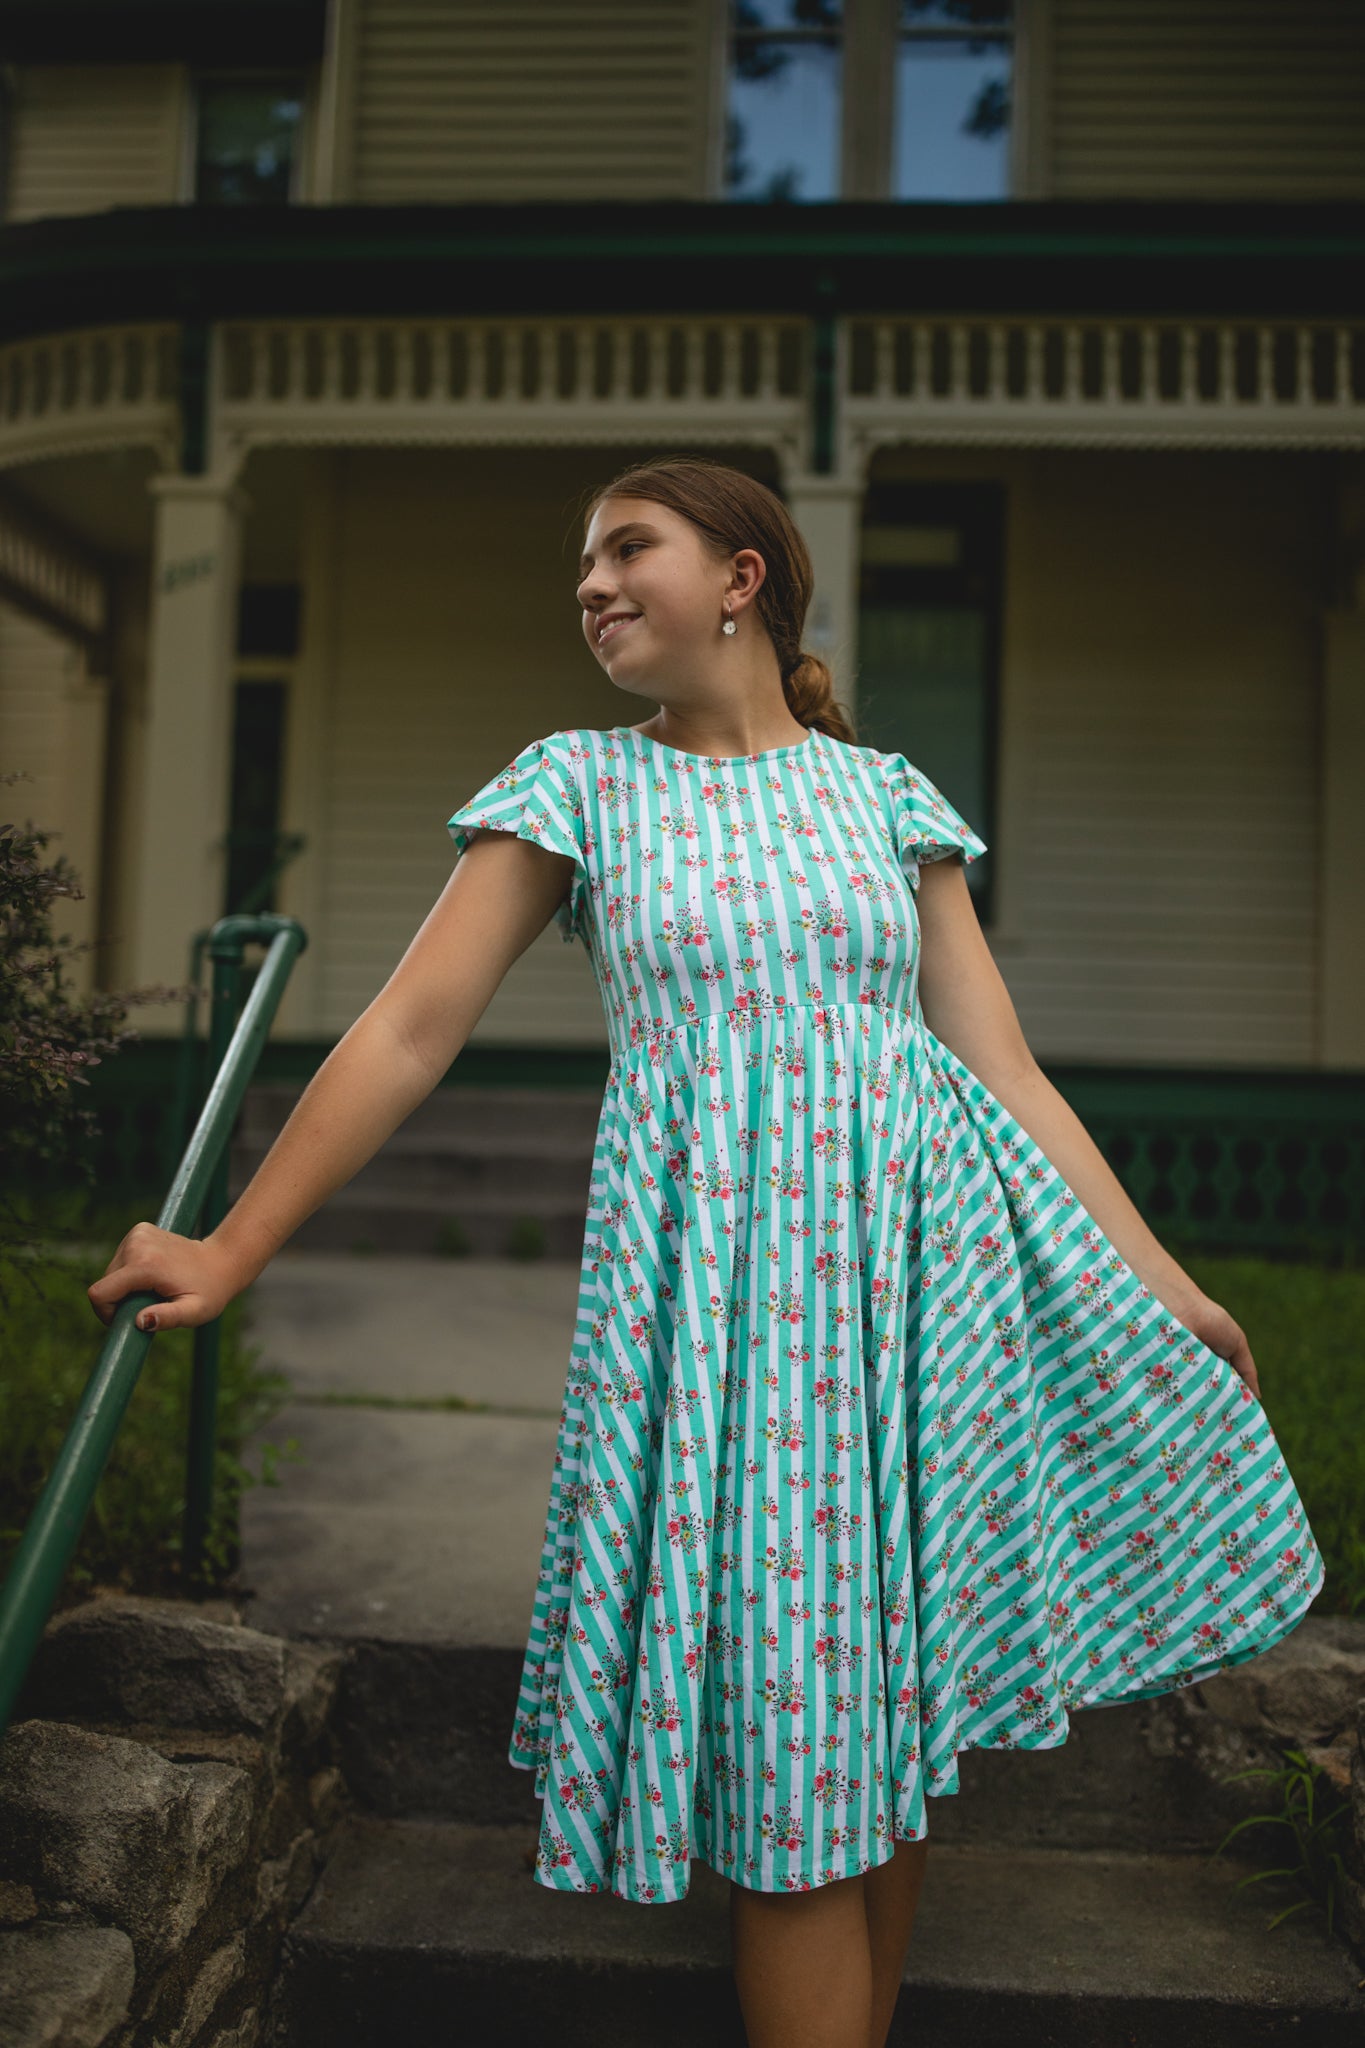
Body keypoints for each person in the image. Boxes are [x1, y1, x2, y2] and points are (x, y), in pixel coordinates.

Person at [89, 453, 1326, 2048]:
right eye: (581, 565)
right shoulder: (579, 784)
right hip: (732, 1320)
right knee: (802, 1754)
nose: (592, 585)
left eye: (629, 549)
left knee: (870, 1736)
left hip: (915, 1303)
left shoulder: (885, 796)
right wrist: (232, 1245)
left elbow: (1005, 1070)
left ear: (741, 578)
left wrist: (1161, 1279)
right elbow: (407, 1028)